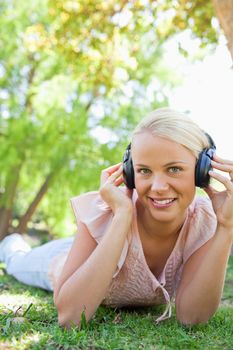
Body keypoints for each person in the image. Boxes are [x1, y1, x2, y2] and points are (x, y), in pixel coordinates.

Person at [1, 107, 233, 328]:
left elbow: (192, 317)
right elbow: (70, 317)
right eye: (144, 170)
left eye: (174, 169)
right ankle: (11, 242)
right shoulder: (107, 210)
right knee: (17, 260)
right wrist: (122, 216)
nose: (159, 186)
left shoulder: (204, 219)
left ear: (202, 171)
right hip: (63, 259)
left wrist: (226, 227)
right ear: (130, 173)